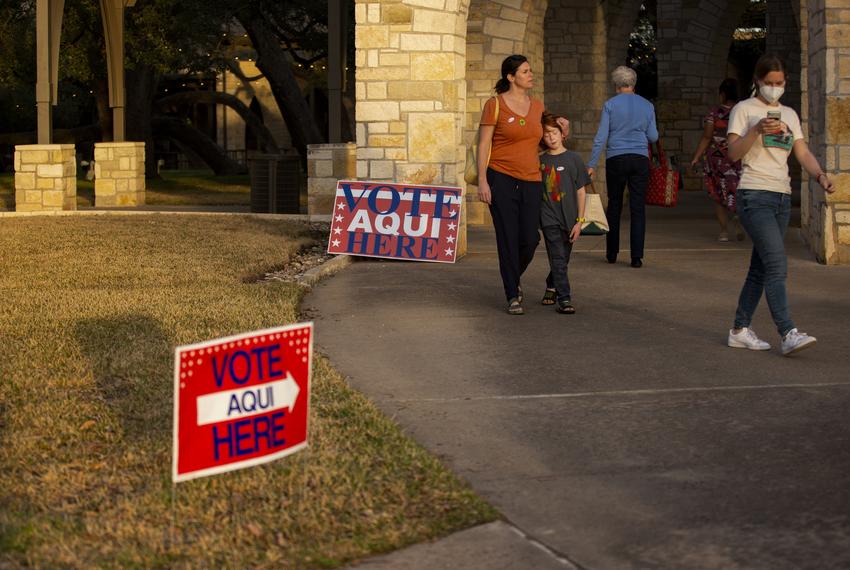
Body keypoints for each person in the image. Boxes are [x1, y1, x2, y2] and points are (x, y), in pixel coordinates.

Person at [725, 53, 835, 356]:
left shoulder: (789, 114)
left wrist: (820, 176)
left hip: (781, 196)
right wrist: (756, 130)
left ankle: (739, 329)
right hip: (754, 195)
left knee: (760, 269)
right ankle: (787, 332)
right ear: (758, 81)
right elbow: (733, 153)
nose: (775, 87)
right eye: (769, 82)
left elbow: (802, 152)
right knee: (776, 264)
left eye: (780, 82)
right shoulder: (744, 110)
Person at [477, 54, 545, 315]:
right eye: (525, 71)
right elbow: (484, 145)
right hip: (501, 177)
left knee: (530, 239)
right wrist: (483, 181)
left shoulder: (538, 106)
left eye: (530, 71)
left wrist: (561, 125)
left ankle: (512, 276)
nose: (530, 75)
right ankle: (511, 293)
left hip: (532, 179)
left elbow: (543, 135)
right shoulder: (494, 105)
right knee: (507, 236)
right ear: (511, 77)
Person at [588, 66, 658, 268]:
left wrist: (592, 164)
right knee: (637, 207)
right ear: (633, 84)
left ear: (616, 85)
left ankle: (611, 253)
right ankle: (636, 257)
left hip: (616, 159)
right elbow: (653, 136)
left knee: (615, 204)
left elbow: (601, 137)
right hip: (639, 159)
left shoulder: (610, 104)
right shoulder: (647, 105)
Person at [538, 113, 590, 314]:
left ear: (562, 134)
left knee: (562, 258)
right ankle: (565, 298)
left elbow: (580, 191)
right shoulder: (540, 162)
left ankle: (551, 283)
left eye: (554, 133)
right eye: (546, 134)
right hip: (548, 217)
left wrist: (580, 221)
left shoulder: (574, 159)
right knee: (558, 257)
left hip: (570, 219)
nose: (550, 137)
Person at [690, 78, 744, 242]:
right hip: (738, 157)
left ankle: (723, 231)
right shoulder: (744, 111)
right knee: (738, 191)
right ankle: (737, 216)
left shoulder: (713, 113)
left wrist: (696, 157)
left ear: (722, 94)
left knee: (718, 194)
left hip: (717, 160)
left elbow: (707, 137)